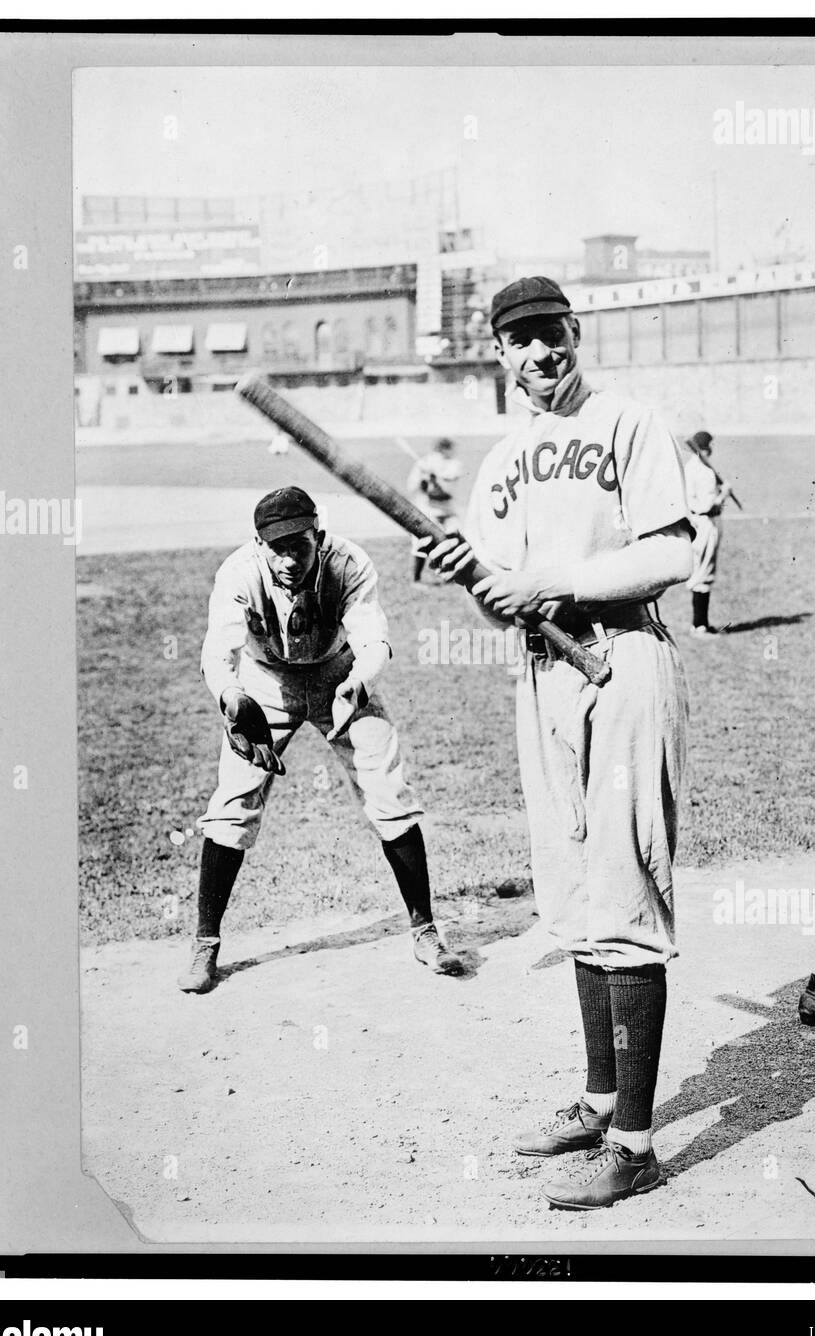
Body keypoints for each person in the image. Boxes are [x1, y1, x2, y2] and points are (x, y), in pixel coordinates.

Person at [426, 276, 694, 1210]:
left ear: (575, 334)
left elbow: (674, 553)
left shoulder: (629, 421)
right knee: (576, 897)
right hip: (544, 673)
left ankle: (636, 1143)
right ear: (498, 353)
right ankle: (599, 1099)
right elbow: (503, 589)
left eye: (551, 334)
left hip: (619, 661)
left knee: (624, 890)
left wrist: (556, 582)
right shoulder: (503, 459)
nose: (538, 353)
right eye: (519, 340)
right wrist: (467, 574)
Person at [177, 485, 462, 994]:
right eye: (276, 547)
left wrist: (361, 680)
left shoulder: (348, 562)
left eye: (299, 545)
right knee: (233, 804)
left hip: (340, 675)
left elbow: (373, 637)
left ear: (319, 536)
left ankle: (426, 931)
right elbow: (217, 652)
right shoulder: (239, 571)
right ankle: (205, 944)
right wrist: (232, 698)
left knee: (389, 793)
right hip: (265, 682)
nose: (288, 558)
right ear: (260, 544)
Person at [682, 429, 732, 638]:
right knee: (702, 573)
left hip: (707, 522)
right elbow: (705, 505)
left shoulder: (700, 467)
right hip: (703, 522)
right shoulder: (697, 470)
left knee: (705, 572)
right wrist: (723, 495)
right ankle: (699, 626)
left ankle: (702, 623)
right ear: (704, 448)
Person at [407, 438, 464, 582]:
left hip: (447, 507)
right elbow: (413, 488)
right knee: (421, 542)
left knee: (456, 539)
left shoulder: (454, 464)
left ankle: (452, 576)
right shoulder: (424, 464)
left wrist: (436, 476)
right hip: (428, 507)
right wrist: (424, 479)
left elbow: (447, 488)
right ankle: (416, 579)